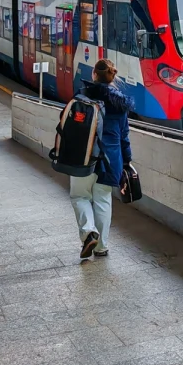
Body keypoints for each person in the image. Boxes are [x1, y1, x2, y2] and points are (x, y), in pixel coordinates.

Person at [71, 59, 132, 260]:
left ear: (94, 75)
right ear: (113, 77)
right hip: (110, 157)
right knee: (103, 200)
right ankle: (101, 247)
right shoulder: (120, 104)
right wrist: (126, 161)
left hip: (84, 154)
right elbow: (124, 136)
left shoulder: (82, 96)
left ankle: (89, 232)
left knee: (80, 196)